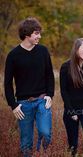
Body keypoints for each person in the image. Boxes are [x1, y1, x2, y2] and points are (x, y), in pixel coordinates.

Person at [4, 17, 55, 157]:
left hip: (42, 101)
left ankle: (41, 154)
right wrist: (13, 105)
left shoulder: (43, 51)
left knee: (45, 133)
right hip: (22, 105)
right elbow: (7, 83)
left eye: (39, 33)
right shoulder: (13, 55)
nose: (40, 36)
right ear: (27, 35)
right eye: (37, 33)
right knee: (26, 142)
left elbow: (50, 75)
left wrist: (50, 94)